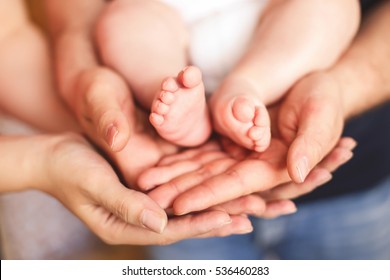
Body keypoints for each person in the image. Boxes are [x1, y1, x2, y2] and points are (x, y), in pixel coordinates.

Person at [142, 0, 390, 259]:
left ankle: (249, 85)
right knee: (126, 18)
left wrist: (342, 87)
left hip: (272, 29)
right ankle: (175, 100)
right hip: (171, 19)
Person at [95, 0, 360, 154]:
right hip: (170, 13)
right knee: (121, 19)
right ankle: (173, 94)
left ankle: (249, 85)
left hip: (268, 17)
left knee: (332, 5)